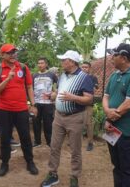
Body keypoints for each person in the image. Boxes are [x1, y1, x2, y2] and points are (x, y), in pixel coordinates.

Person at [41, 50, 94, 187]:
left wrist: (73, 97)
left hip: (75, 118)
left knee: (75, 150)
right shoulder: (62, 76)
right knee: (54, 147)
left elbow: (89, 98)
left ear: (71, 61)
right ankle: (53, 174)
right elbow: (59, 92)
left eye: (63, 60)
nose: (61, 62)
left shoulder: (84, 77)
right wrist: (52, 95)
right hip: (58, 117)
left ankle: (74, 177)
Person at [0, 43, 39, 176]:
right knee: (5, 138)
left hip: (22, 109)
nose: (13, 55)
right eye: (9, 53)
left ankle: (30, 162)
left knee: (26, 137)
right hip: (4, 110)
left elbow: (29, 87)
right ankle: (4, 163)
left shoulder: (23, 68)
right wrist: (7, 79)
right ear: (2, 55)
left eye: (14, 52)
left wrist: (33, 105)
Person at [102, 43, 130, 187]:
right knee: (117, 166)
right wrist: (107, 112)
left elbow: (128, 104)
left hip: (127, 131)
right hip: (112, 129)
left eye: (114, 55)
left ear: (124, 58)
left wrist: (109, 118)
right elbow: (105, 97)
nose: (112, 58)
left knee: (129, 169)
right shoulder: (114, 75)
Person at [32, 57, 58, 147]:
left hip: (48, 103)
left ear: (46, 64)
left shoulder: (51, 75)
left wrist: (55, 93)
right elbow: (30, 89)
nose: (40, 65)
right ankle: (37, 141)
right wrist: (31, 103)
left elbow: (59, 85)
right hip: (36, 103)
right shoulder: (34, 76)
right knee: (36, 123)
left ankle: (49, 141)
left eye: (42, 63)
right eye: (38, 63)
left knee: (48, 123)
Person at [81, 61, 99, 151]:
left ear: (89, 69)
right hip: (77, 104)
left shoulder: (92, 77)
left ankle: (90, 143)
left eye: (86, 67)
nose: (84, 69)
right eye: (83, 67)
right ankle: (75, 140)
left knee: (88, 124)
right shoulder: (77, 77)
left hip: (88, 104)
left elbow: (96, 87)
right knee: (76, 122)